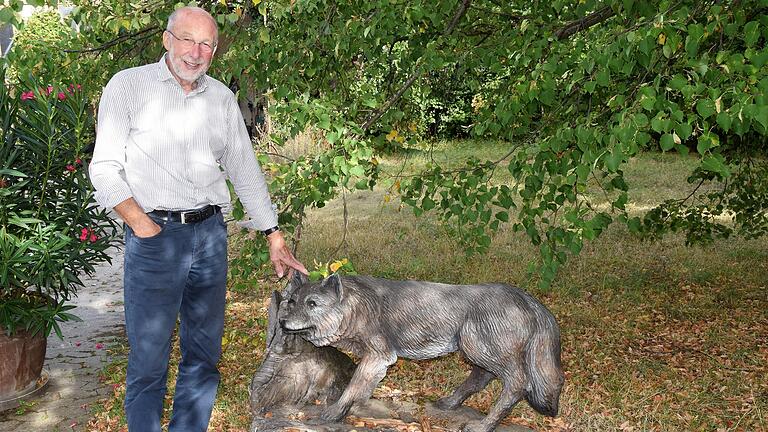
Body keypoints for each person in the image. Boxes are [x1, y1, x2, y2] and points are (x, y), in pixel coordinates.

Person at [89, 6, 308, 432]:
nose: (196, 51)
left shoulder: (221, 99)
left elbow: (245, 169)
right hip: (155, 238)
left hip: (210, 238)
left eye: (207, 43)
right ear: (167, 40)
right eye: (188, 40)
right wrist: (141, 223)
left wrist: (273, 233)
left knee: (203, 357)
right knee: (149, 359)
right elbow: (103, 168)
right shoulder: (129, 86)